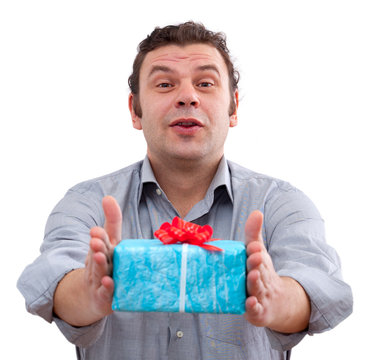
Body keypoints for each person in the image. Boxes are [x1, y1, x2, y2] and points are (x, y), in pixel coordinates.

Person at [17, 21, 353, 360]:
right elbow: (52, 278)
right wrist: (88, 293)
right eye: (165, 84)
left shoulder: (281, 204)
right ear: (136, 111)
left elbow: (317, 286)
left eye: (205, 83)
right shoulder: (88, 204)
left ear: (233, 107)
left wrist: (276, 297)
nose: (188, 96)